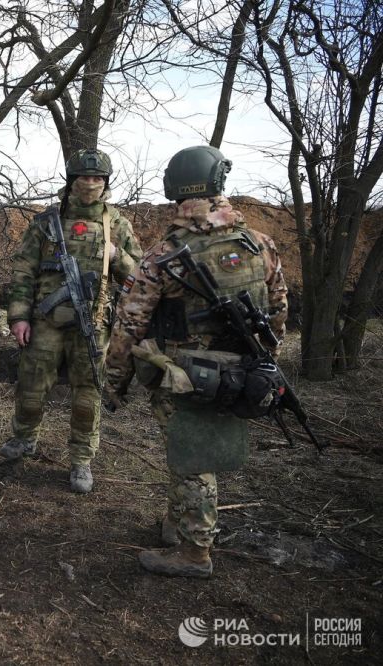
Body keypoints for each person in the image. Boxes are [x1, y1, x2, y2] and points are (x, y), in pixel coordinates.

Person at [104, 145, 288, 578]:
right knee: (193, 454)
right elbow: (278, 308)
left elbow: (130, 323)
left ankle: (194, 552)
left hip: (185, 374)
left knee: (192, 458)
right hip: (240, 371)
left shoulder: (164, 253)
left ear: (176, 186)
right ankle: (177, 525)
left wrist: (114, 380)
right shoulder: (259, 243)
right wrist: (264, 359)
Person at [0, 149, 142, 494]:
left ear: (105, 182)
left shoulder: (118, 225)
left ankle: (81, 459)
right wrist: (17, 317)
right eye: (83, 177)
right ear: (71, 180)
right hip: (46, 321)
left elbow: (140, 274)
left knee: (87, 396)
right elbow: (23, 272)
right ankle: (24, 439)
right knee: (31, 388)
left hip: (92, 324)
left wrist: (117, 256)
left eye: (97, 178)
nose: (90, 184)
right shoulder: (46, 223)